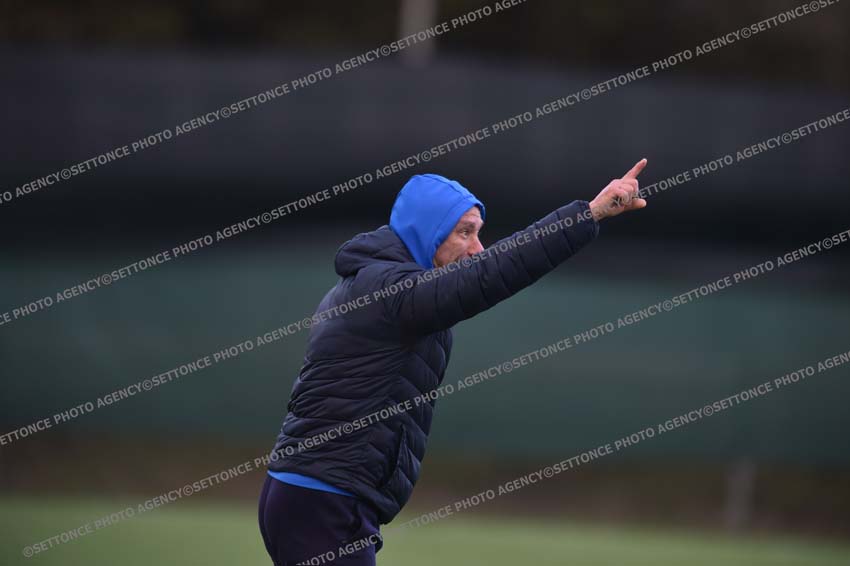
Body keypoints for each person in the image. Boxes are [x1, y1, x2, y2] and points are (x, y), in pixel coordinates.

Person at [258, 160, 648, 565]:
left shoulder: (381, 282)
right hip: (323, 502)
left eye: (478, 232)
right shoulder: (388, 290)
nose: (477, 248)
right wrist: (588, 214)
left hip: (317, 497)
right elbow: (491, 274)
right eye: (465, 232)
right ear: (425, 231)